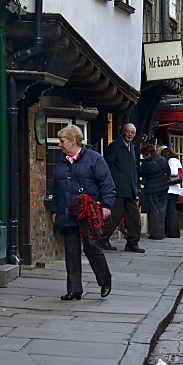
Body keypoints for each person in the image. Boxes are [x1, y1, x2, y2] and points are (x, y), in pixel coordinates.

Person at [50, 125, 114, 300]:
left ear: (73, 141)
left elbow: (107, 184)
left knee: (92, 248)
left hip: (87, 213)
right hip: (68, 212)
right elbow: (56, 189)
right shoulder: (61, 161)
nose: (59, 144)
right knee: (71, 252)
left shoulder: (95, 159)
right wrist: (55, 210)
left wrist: (106, 205)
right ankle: (74, 289)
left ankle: (105, 280)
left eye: (62, 141)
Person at [101, 123, 145, 252]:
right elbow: (107, 166)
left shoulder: (132, 147)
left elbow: (132, 169)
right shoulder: (115, 146)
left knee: (133, 216)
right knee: (115, 214)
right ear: (123, 132)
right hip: (118, 188)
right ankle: (102, 239)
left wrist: (135, 187)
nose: (130, 134)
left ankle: (132, 243)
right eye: (128, 131)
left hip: (129, 189)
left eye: (132, 132)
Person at [139, 143, 170, 240]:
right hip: (164, 188)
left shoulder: (147, 163)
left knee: (154, 211)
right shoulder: (163, 160)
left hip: (152, 189)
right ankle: (161, 232)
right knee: (162, 210)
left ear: (147, 154)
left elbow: (140, 172)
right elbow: (168, 172)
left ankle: (155, 233)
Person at [159, 147, 182, 238]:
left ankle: (172, 232)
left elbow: (173, 172)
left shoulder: (171, 160)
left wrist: (164, 173)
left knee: (170, 212)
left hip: (171, 190)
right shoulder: (175, 160)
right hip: (174, 190)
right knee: (171, 212)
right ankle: (172, 231)